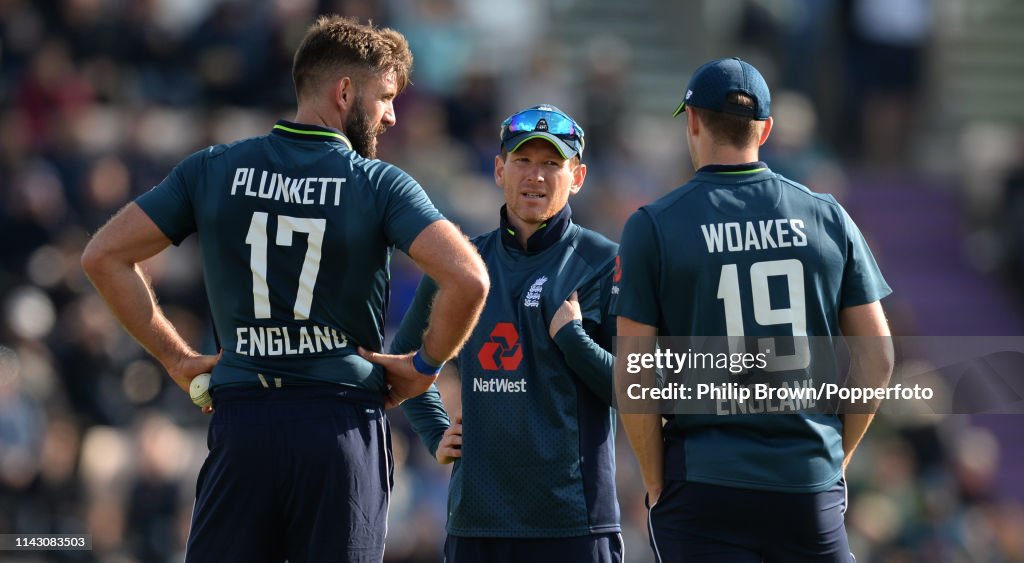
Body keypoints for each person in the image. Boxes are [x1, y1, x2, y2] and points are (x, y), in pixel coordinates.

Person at [80, 15, 489, 563]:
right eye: (386, 97)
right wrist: (424, 368)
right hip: (338, 428)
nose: (392, 114)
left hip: (242, 425)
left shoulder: (214, 167)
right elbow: (468, 277)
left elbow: (102, 256)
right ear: (344, 92)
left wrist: (176, 359)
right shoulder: (377, 183)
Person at [613, 57, 894, 562]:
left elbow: (635, 372)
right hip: (805, 481)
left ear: (693, 121)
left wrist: (655, 481)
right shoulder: (828, 215)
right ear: (765, 130)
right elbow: (878, 359)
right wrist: (835, 458)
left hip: (702, 482)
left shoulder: (653, 225)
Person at [365, 105, 622, 562]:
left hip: (574, 523)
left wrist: (574, 341)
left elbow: (637, 388)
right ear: (499, 168)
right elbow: (404, 358)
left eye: (551, 164)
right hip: (477, 521)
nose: (535, 176)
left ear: (577, 176)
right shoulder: (462, 263)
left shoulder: (603, 261)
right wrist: (435, 432)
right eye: (523, 161)